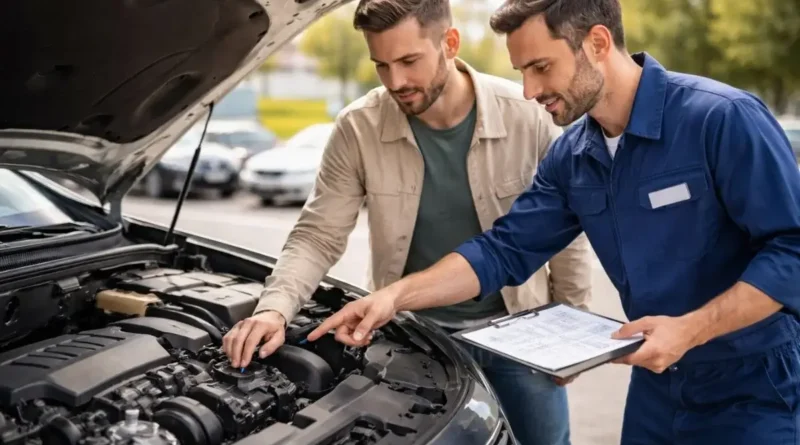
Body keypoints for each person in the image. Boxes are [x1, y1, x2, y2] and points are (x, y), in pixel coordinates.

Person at [306, 0, 800, 443]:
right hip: (658, 384)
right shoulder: (572, 155)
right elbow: (503, 250)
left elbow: (792, 249)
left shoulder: (721, 119)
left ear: (598, 42)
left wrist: (690, 330)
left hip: (754, 384)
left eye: (541, 67)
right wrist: (393, 297)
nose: (528, 90)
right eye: (522, 71)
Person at [221, 0, 594, 443]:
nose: (395, 81)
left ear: (449, 43)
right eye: (381, 65)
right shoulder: (357, 128)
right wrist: (274, 308)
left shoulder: (527, 115)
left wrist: (572, 330)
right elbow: (318, 235)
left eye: (409, 61)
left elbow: (565, 234)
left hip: (519, 333)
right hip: (414, 337)